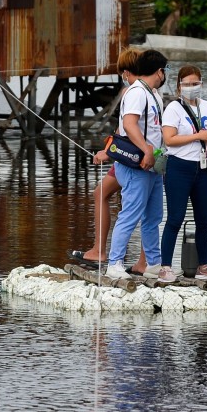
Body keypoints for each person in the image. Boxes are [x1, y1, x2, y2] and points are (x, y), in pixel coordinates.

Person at [80, 47, 147, 273]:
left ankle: (104, 253)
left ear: (127, 71)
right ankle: (145, 261)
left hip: (132, 159)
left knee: (112, 198)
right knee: (146, 208)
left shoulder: (134, 92)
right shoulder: (150, 91)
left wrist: (106, 153)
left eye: (122, 73)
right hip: (141, 158)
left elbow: (126, 130)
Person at [105, 49, 168, 280]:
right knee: (130, 213)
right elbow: (129, 125)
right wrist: (146, 150)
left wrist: (156, 155)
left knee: (153, 216)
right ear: (159, 72)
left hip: (153, 166)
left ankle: (153, 263)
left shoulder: (153, 95)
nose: (165, 75)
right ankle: (114, 263)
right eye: (165, 70)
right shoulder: (137, 92)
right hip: (136, 164)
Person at [158, 66, 207, 283]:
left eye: (195, 83)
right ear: (179, 86)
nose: (191, 88)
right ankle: (165, 267)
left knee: (203, 219)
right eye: (186, 84)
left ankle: (204, 265)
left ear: (201, 84)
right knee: (175, 218)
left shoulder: (206, 106)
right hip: (179, 166)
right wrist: (198, 136)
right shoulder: (173, 108)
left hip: (202, 167)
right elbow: (169, 139)